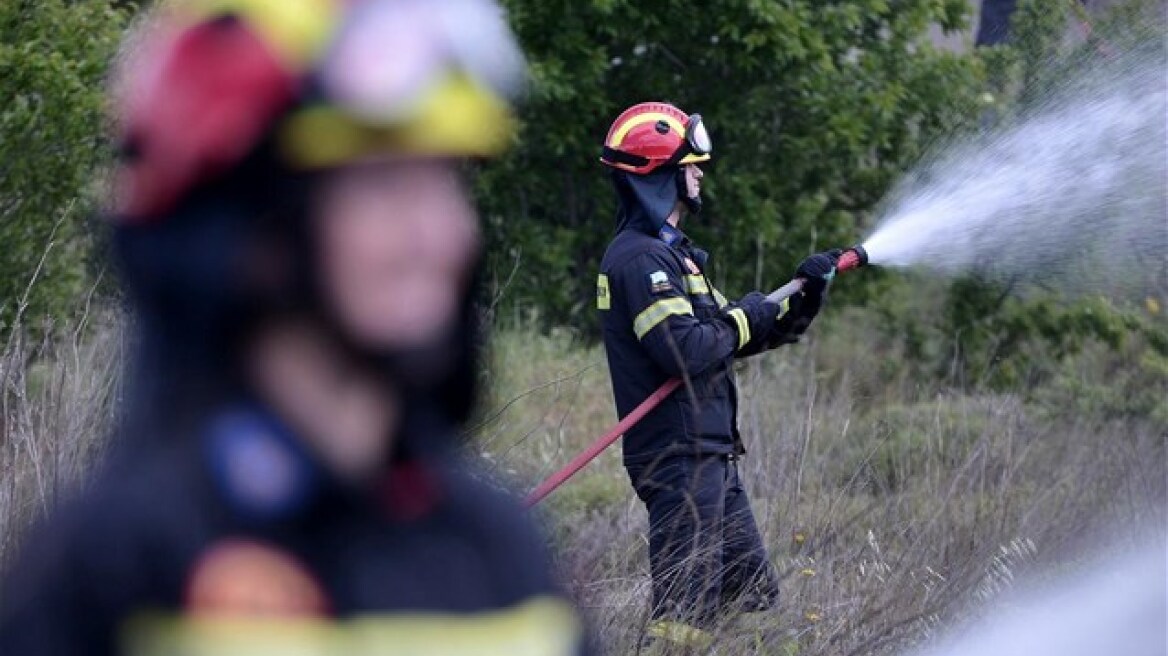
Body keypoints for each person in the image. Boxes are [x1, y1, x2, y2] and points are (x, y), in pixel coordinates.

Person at [0, 1, 587, 654]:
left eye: (446, 181)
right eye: (384, 185)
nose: (440, 234)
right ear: (256, 232)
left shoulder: (498, 555)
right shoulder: (118, 569)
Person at [596, 102, 839, 646]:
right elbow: (686, 350)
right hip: (678, 459)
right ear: (661, 175)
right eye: (690, 165)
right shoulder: (640, 261)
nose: (700, 174)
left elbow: (732, 336)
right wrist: (747, 314)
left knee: (749, 600)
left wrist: (803, 298)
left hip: (709, 456)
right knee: (683, 622)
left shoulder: (674, 257)